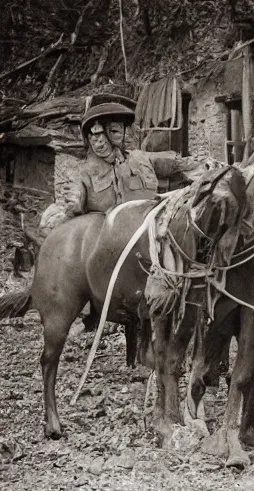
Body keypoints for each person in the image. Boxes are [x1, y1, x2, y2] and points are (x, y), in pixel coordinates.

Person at [38, 101, 207, 333]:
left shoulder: (141, 159)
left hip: (150, 235)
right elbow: (74, 207)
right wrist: (68, 208)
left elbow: (177, 163)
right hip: (112, 247)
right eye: (93, 138)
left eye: (108, 134)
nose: (100, 143)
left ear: (118, 135)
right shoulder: (85, 172)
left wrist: (207, 167)